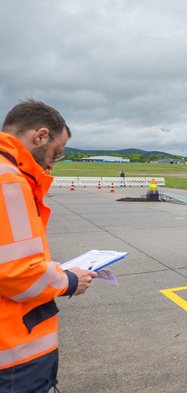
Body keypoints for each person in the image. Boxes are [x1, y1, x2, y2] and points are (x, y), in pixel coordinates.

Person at [0, 100, 97, 393]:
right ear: (40, 136)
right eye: (56, 152)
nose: (53, 162)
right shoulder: (9, 181)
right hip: (14, 352)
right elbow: (16, 273)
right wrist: (68, 279)